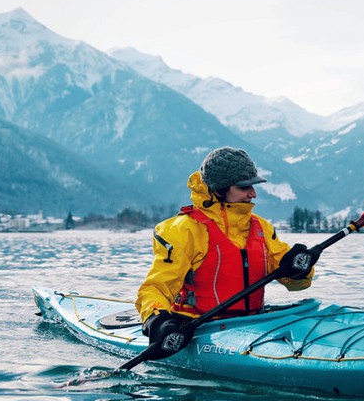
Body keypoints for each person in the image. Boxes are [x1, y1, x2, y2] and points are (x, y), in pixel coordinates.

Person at [136, 147, 317, 356]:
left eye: (253, 185)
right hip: (200, 330)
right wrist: (157, 320)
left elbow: (298, 285)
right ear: (220, 189)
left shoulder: (261, 228)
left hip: (254, 325)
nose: (253, 193)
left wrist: (299, 268)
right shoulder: (185, 231)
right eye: (244, 187)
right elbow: (154, 288)